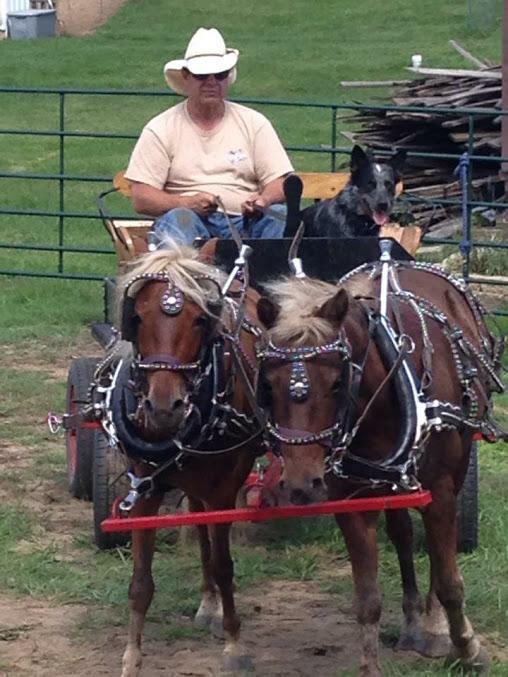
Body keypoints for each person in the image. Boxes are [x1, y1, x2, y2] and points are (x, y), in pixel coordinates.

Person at [125, 27, 294, 245]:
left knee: (278, 215)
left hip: (246, 221)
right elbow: (141, 197)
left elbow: (279, 180)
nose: (212, 82)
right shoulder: (161, 128)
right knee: (180, 219)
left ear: (228, 78)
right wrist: (185, 202)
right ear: (186, 77)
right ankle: (179, 278)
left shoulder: (254, 123)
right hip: (189, 220)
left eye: (220, 75)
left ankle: (273, 277)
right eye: (202, 75)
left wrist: (263, 199)